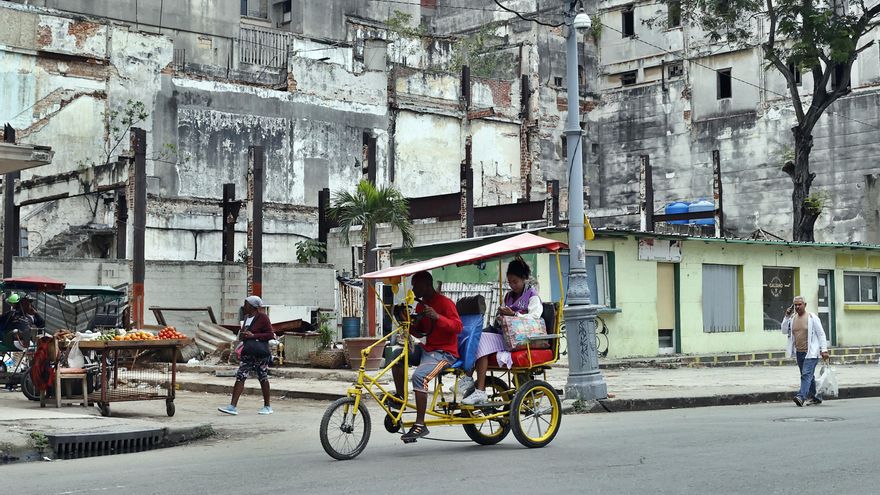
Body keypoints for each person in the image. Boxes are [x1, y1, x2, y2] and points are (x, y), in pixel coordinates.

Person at [391, 271, 462, 442]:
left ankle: (420, 425)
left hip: (445, 353)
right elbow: (420, 331)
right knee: (396, 358)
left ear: (426, 285)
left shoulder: (445, 303)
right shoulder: (421, 306)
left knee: (420, 376)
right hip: (427, 349)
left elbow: (458, 327)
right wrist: (405, 321)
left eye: (416, 285)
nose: (413, 289)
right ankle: (400, 397)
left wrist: (438, 317)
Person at [460, 258, 542, 405]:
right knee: (474, 337)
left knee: (482, 340)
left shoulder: (532, 295)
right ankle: (468, 377)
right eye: (509, 282)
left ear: (524, 278)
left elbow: (535, 318)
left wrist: (514, 315)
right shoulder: (508, 296)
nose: (512, 285)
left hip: (520, 338)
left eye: (515, 281)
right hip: (503, 333)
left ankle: (480, 391)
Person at [218, 295, 276, 415]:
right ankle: (232, 406)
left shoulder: (263, 317)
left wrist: (253, 336)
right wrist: (243, 336)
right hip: (248, 352)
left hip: (260, 354)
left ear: (253, 306)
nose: (244, 306)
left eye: (246, 304)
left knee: (262, 377)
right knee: (240, 376)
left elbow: (270, 334)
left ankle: (267, 406)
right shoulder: (246, 317)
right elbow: (244, 335)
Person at [781, 295, 829, 406]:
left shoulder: (812, 317)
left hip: (811, 353)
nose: (797, 306)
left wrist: (824, 350)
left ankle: (801, 397)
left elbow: (821, 334)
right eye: (795, 305)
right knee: (809, 376)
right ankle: (815, 397)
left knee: (806, 374)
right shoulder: (792, 318)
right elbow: (784, 330)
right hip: (799, 352)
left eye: (799, 304)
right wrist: (786, 316)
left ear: (805, 305)